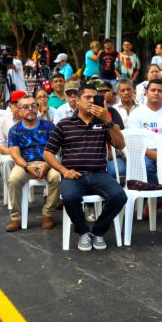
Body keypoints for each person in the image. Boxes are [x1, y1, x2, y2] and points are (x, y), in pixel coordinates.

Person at [43, 83, 126, 251]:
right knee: (70, 197)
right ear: (77, 101)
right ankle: (83, 232)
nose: (91, 101)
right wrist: (64, 171)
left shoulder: (103, 123)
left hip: (98, 174)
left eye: (95, 97)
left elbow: (120, 145)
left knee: (119, 196)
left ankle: (98, 231)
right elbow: (48, 153)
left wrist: (108, 120)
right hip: (73, 174)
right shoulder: (64, 124)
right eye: (87, 97)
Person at [5, 95, 60, 232]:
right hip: (25, 164)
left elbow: (55, 149)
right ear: (19, 111)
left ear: (37, 108)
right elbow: (15, 154)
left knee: (57, 177)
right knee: (13, 180)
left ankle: (47, 213)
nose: (30, 109)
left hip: (47, 162)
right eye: (26, 107)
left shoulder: (49, 126)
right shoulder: (15, 130)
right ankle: (16, 218)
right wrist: (27, 166)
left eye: (33, 106)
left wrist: (47, 165)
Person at [128, 79, 162, 220]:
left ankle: (155, 203)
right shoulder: (136, 113)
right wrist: (153, 154)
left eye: (160, 91)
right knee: (145, 166)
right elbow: (135, 142)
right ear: (146, 92)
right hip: (145, 153)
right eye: (153, 90)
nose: (156, 93)